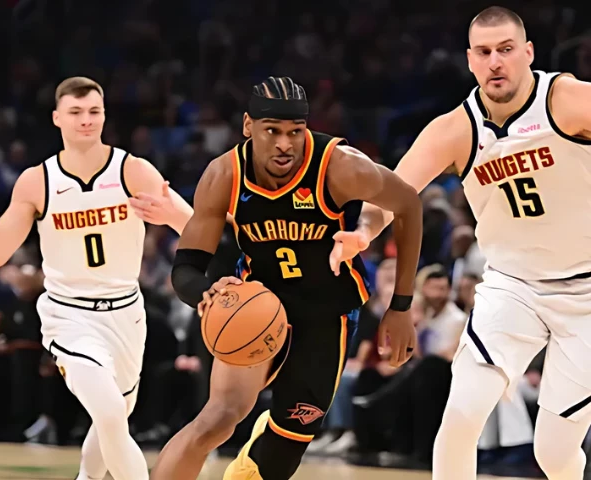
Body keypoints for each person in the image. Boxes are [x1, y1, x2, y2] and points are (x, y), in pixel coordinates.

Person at [330, 6, 591, 480]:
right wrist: (364, 231)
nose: (496, 62)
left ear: (528, 53)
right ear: (470, 60)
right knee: (460, 417)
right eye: (485, 52)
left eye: (506, 50)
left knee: (553, 454)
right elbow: (392, 192)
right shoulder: (455, 130)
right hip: (514, 286)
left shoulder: (570, 100)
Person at [150, 76, 422, 480]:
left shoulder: (340, 166)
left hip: (325, 314)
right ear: (248, 126)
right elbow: (186, 268)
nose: (285, 144)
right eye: (272, 130)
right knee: (216, 420)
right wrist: (207, 292)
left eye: (295, 131)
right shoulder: (224, 174)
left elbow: (408, 204)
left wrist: (400, 307)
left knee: (282, 453)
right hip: (256, 307)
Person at [0, 76, 194, 480]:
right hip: (69, 315)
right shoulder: (38, 181)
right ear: (57, 118)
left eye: (94, 111)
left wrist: (169, 214)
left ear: (104, 115)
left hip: (126, 313)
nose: (86, 120)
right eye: (75, 112)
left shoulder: (133, 170)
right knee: (110, 411)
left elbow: (194, 227)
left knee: (112, 420)